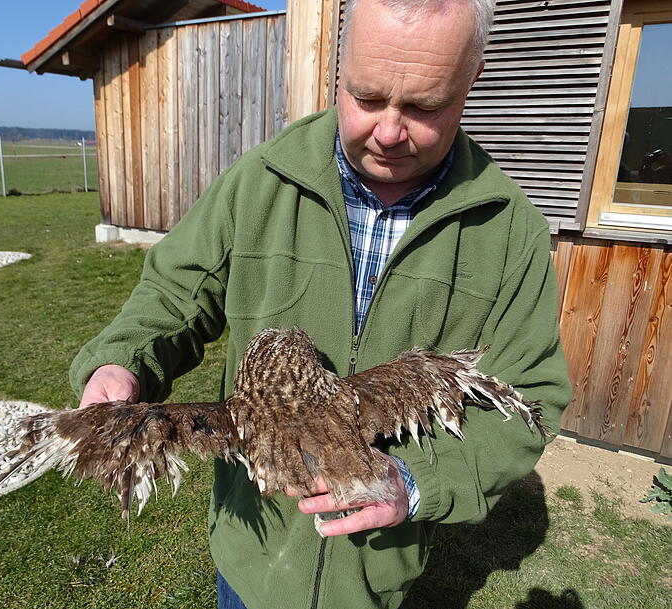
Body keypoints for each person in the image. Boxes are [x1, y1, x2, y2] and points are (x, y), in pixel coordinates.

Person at [69, 0, 571, 607]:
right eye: (367, 97)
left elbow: (530, 397)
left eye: (424, 106)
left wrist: (415, 483)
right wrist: (122, 360)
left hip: (374, 575)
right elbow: (174, 292)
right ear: (339, 67)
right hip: (253, 559)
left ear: (471, 80)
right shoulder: (261, 181)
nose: (389, 132)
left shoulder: (508, 229)